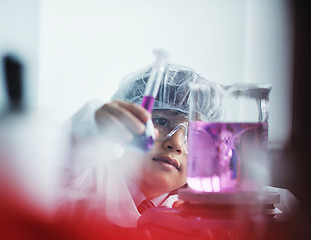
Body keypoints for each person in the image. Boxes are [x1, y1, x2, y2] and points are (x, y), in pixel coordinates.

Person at [65, 63, 223, 228]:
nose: (176, 144)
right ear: (127, 118)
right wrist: (93, 129)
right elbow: (57, 166)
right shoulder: (84, 184)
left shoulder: (199, 218)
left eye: (194, 134)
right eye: (162, 121)